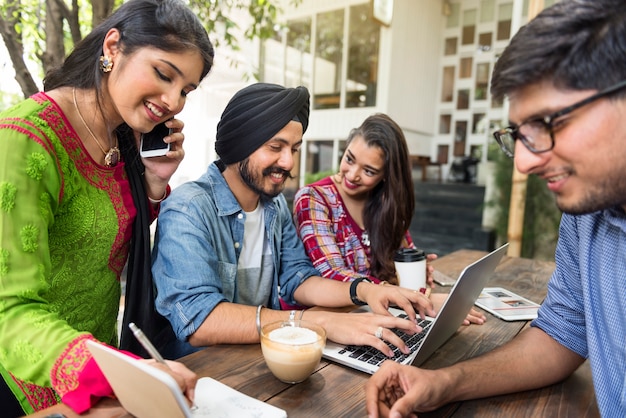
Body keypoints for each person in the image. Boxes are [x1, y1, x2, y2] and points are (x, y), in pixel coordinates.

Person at [365, 1, 626, 417]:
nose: (523, 162)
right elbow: (561, 336)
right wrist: (444, 383)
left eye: (548, 123)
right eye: (519, 134)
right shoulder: (584, 216)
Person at [0, 0, 214, 415]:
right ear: (113, 48)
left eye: (186, 89)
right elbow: (7, 308)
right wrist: (119, 372)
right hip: (25, 378)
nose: (173, 100)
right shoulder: (24, 139)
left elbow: (106, 237)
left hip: (98, 371)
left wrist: (154, 181)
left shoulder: (123, 139)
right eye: (164, 74)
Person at [151, 83, 436, 360]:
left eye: (295, 149)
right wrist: (310, 322)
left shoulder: (273, 206)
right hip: (201, 372)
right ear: (239, 144)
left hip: (262, 359)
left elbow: (297, 278)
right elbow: (199, 322)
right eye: (276, 147)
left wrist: (365, 290)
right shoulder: (188, 208)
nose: (288, 162)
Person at [293, 113, 485, 325]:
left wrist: (416, 270)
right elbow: (330, 272)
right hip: (329, 322)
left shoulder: (385, 203)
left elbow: (402, 254)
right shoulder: (314, 198)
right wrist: (419, 298)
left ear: (386, 175)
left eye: (369, 170)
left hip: (378, 315)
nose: (353, 174)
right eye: (349, 159)